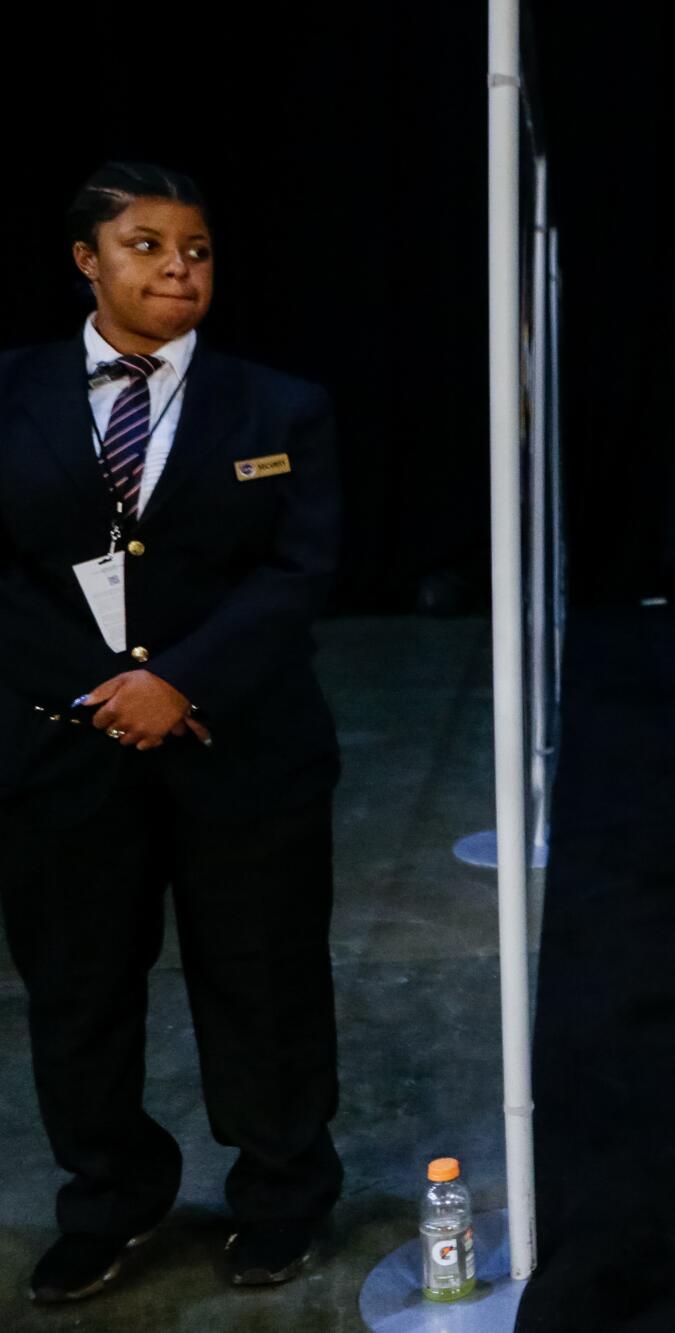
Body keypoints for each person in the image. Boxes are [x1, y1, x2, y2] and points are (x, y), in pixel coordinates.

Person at [0, 162, 344, 1301]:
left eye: (196, 248)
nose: (178, 267)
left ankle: (283, 1195)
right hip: (64, 748)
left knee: (263, 977)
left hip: (241, 744)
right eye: (146, 245)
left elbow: (299, 571)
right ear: (85, 260)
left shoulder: (280, 403)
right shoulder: (9, 392)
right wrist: (104, 691)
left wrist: (181, 682)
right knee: (79, 986)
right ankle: (109, 1198)